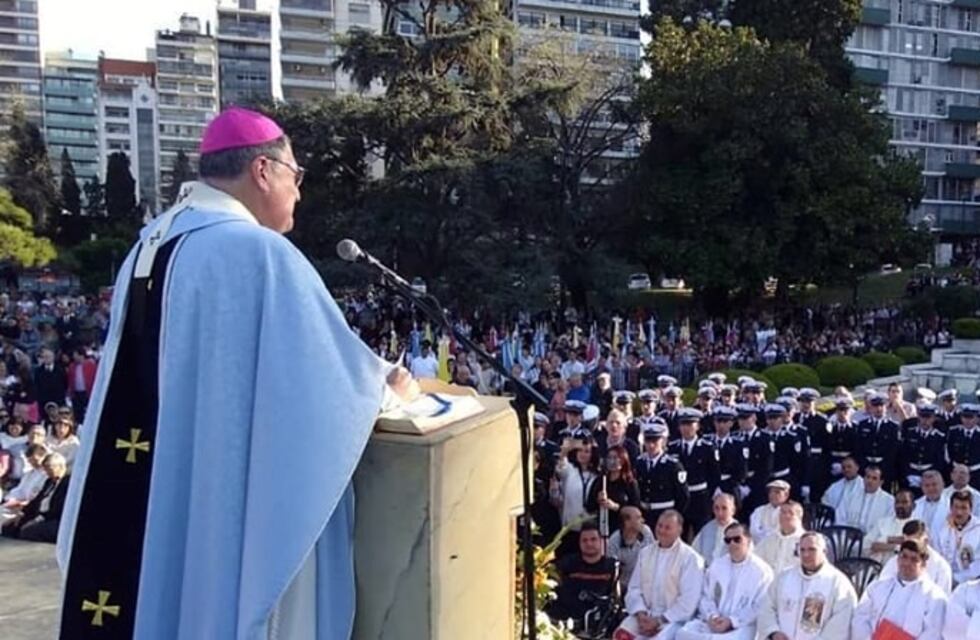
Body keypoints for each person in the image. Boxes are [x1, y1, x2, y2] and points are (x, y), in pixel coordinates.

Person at [57, 107, 419, 639]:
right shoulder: (256, 251)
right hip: (214, 503)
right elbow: (323, 389)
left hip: (154, 488)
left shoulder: (150, 244)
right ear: (263, 170)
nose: (299, 191)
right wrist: (386, 388)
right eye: (296, 175)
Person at [616, 510, 704, 640]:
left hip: (673, 619)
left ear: (679, 530)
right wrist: (640, 614)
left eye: (667, 527)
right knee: (622, 634)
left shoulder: (691, 559)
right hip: (644, 615)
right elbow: (634, 588)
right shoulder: (645, 553)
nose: (662, 531)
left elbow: (688, 601)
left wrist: (659, 621)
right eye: (659, 526)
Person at [676, 522, 773, 640]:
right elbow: (705, 595)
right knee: (682, 634)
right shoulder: (717, 565)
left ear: (748, 540)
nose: (732, 543)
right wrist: (712, 616)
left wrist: (731, 621)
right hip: (714, 622)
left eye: (737, 539)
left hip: (743, 625)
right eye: (728, 540)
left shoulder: (762, 571)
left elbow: (760, 606)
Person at [757, 532, 857, 640]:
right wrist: (774, 631)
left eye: (812, 549)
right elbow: (767, 607)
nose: (806, 555)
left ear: (824, 552)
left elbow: (840, 624)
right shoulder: (784, 577)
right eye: (802, 550)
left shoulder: (838, 583)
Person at [852, 539, 947, 639]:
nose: (907, 563)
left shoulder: (934, 597)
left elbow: (932, 633)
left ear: (923, 565)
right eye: (904, 557)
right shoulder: (878, 587)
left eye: (914, 559)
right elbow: (860, 618)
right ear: (897, 559)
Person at [547, 522, 617, 625]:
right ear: (579, 543)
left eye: (593, 539)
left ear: (601, 542)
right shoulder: (567, 564)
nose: (589, 544)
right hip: (566, 621)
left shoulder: (612, 567)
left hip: (599, 623)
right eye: (585, 540)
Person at [668, 408, 719, 538]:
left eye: (690, 424)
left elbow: (714, 474)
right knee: (680, 536)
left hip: (701, 498)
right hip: (680, 499)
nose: (686, 428)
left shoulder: (707, 447)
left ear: (697, 426)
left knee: (702, 536)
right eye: (683, 424)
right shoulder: (672, 448)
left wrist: (709, 495)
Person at [2, 451, 69, 542]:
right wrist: (21, 514)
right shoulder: (49, 481)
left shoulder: (68, 483)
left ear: (60, 467)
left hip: (53, 518)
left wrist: (38, 519)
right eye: (45, 469)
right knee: (9, 527)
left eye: (49, 468)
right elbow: (37, 500)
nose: (47, 472)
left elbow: (58, 508)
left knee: (28, 531)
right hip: (39, 514)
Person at [877, 520, 953, 595]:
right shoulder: (894, 562)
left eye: (914, 544)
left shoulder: (941, 568)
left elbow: (940, 600)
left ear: (925, 541)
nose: (910, 548)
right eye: (907, 543)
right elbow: (881, 589)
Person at [585, 444, 640, 537]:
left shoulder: (630, 483)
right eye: (609, 458)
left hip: (622, 529)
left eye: (616, 458)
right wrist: (597, 500)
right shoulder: (600, 481)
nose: (613, 461)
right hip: (602, 527)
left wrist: (616, 507)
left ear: (623, 460)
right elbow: (589, 506)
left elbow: (636, 508)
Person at [934, 489, 980, 586]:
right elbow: (937, 555)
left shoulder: (978, 530)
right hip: (944, 580)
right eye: (956, 507)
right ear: (950, 508)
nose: (959, 512)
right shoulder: (943, 528)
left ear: (970, 509)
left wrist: (958, 579)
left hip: (971, 583)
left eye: (964, 508)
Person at [607, 505, 654, 593]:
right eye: (639, 518)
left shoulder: (646, 532)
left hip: (646, 585)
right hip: (624, 587)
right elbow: (612, 570)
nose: (643, 520)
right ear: (627, 522)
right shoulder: (614, 542)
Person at [837, 465, 894, 534]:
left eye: (874, 478)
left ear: (881, 482)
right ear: (863, 478)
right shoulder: (850, 495)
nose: (869, 481)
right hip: (848, 538)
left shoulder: (889, 501)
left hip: (873, 540)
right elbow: (840, 517)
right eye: (868, 477)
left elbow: (887, 526)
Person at [865, 489, 915, 564]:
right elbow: (866, 545)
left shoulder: (917, 527)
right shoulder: (882, 523)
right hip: (874, 567)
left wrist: (881, 544)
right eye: (897, 502)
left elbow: (911, 550)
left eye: (904, 502)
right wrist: (891, 541)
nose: (900, 505)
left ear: (913, 506)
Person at [755, 501, 805, 575]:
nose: (786, 516)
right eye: (783, 512)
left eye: (791, 513)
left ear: (799, 517)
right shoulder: (769, 539)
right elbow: (756, 560)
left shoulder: (805, 541)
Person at [691, 493, 738, 567]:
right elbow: (694, 554)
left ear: (733, 510)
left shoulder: (740, 532)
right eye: (716, 508)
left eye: (724, 508)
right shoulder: (706, 529)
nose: (720, 513)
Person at [821, 455, 862, 522]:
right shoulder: (835, 486)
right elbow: (825, 502)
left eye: (849, 467)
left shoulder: (864, 486)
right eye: (843, 468)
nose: (846, 470)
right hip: (835, 522)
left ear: (857, 467)